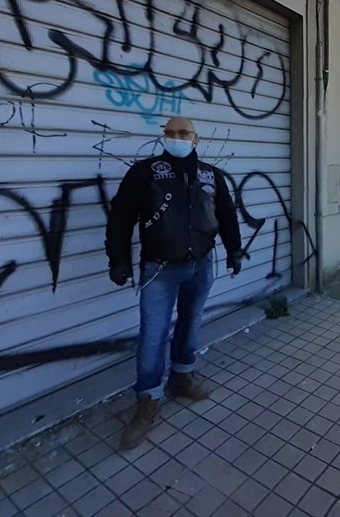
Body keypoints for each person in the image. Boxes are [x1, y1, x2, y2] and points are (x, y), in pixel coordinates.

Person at [106, 116, 244, 450]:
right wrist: (119, 259)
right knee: (153, 335)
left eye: (183, 133)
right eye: (170, 133)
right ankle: (148, 400)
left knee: (191, 321)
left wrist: (234, 250)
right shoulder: (145, 172)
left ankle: (181, 377)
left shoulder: (212, 176)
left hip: (201, 265)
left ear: (196, 138)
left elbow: (226, 213)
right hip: (159, 270)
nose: (176, 138)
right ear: (163, 138)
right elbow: (121, 216)